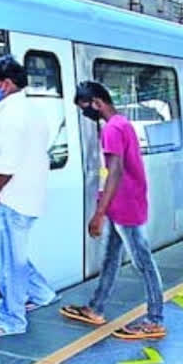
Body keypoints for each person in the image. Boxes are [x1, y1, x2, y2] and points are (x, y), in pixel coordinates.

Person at [59, 81, 165, 340]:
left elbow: (115, 171)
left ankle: (155, 319)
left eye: (86, 107)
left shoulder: (113, 129)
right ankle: (96, 308)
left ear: (97, 102)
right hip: (121, 204)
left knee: (144, 263)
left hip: (125, 205)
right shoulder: (121, 124)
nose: (86, 113)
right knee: (110, 259)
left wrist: (98, 214)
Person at [0, 55, 58, 338]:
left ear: (6, 85)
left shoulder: (10, 118)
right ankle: (42, 294)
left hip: (10, 199)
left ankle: (12, 321)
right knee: (7, 251)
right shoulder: (32, 112)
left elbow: (7, 163)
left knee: (8, 263)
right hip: (28, 196)